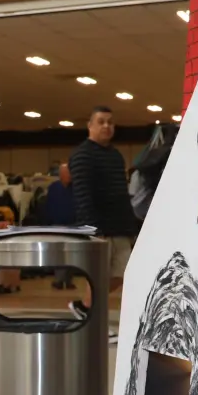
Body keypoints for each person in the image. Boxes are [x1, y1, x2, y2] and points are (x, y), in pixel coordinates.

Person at [69, 106, 139, 297]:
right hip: (98, 231)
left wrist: (130, 227)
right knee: (96, 280)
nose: (106, 126)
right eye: (101, 121)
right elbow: (83, 196)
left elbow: (122, 194)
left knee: (122, 275)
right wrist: (93, 231)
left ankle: (84, 310)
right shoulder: (81, 155)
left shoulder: (115, 156)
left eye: (110, 122)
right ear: (90, 125)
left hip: (120, 229)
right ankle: (90, 316)